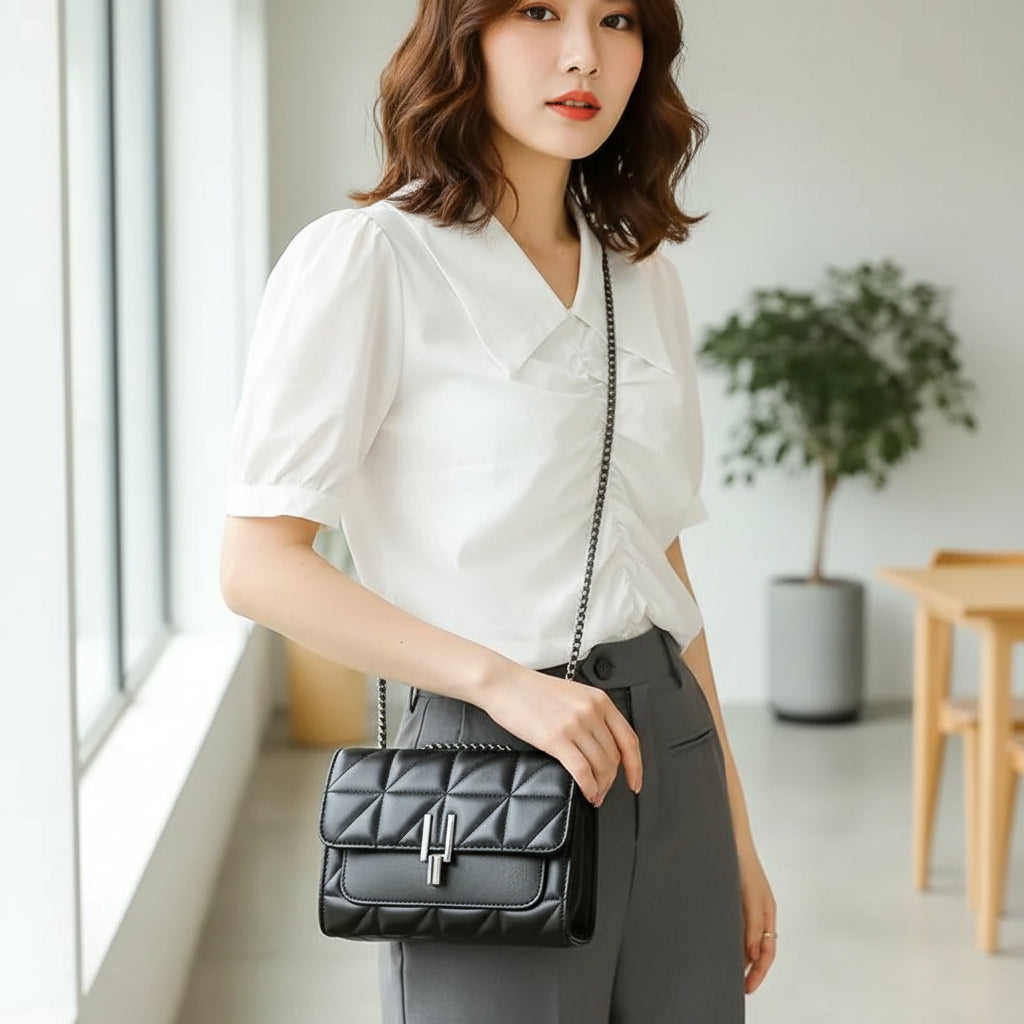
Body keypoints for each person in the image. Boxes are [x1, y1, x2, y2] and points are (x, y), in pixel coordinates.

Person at [220, 0, 776, 1020]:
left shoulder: (641, 274)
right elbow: (257, 565)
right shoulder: (371, 259)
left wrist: (734, 829)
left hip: (670, 755)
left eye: (617, 18)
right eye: (538, 10)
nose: (583, 54)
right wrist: (505, 686)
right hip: (487, 763)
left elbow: (660, 559)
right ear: (462, 34)